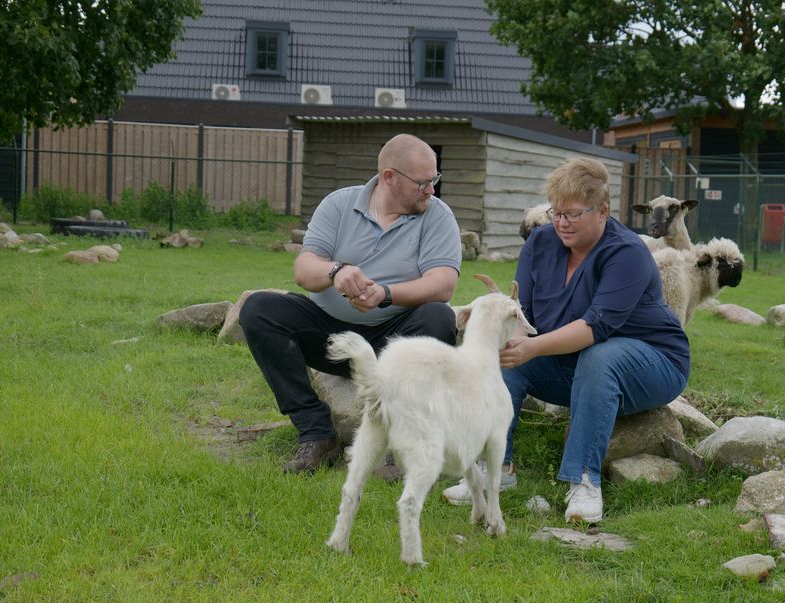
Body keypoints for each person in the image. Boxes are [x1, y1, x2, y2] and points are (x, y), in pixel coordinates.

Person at [441, 157, 690, 523]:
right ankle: (494, 469)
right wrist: (509, 341)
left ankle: (584, 480)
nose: (561, 223)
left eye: (573, 214)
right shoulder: (541, 242)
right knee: (504, 355)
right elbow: (523, 312)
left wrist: (532, 347)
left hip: (653, 364)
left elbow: (594, 329)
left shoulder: (627, 253)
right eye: (556, 213)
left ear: (602, 211)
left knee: (599, 356)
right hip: (575, 365)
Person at [240, 134, 462, 474]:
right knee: (259, 309)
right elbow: (304, 270)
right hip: (331, 337)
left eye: (435, 179)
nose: (431, 190)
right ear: (390, 177)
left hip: (395, 345)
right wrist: (337, 271)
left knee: (438, 317)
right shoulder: (339, 204)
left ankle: (400, 441)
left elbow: (443, 284)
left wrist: (385, 294)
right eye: (423, 183)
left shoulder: (438, 215)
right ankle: (316, 433)